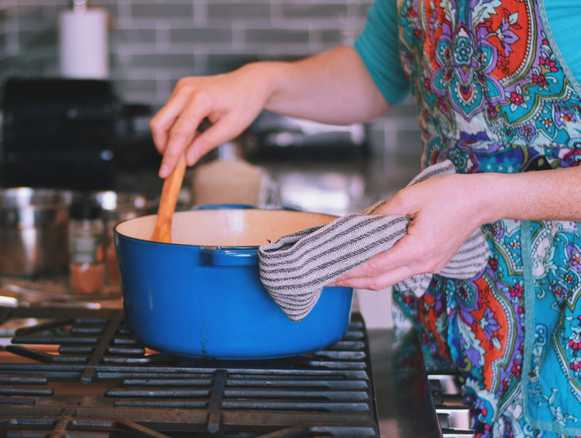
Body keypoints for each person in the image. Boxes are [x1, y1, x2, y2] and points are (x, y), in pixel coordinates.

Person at [149, 0, 581, 436]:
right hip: (453, 294)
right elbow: (374, 72)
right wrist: (264, 82)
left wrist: (486, 199)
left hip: (566, 318)